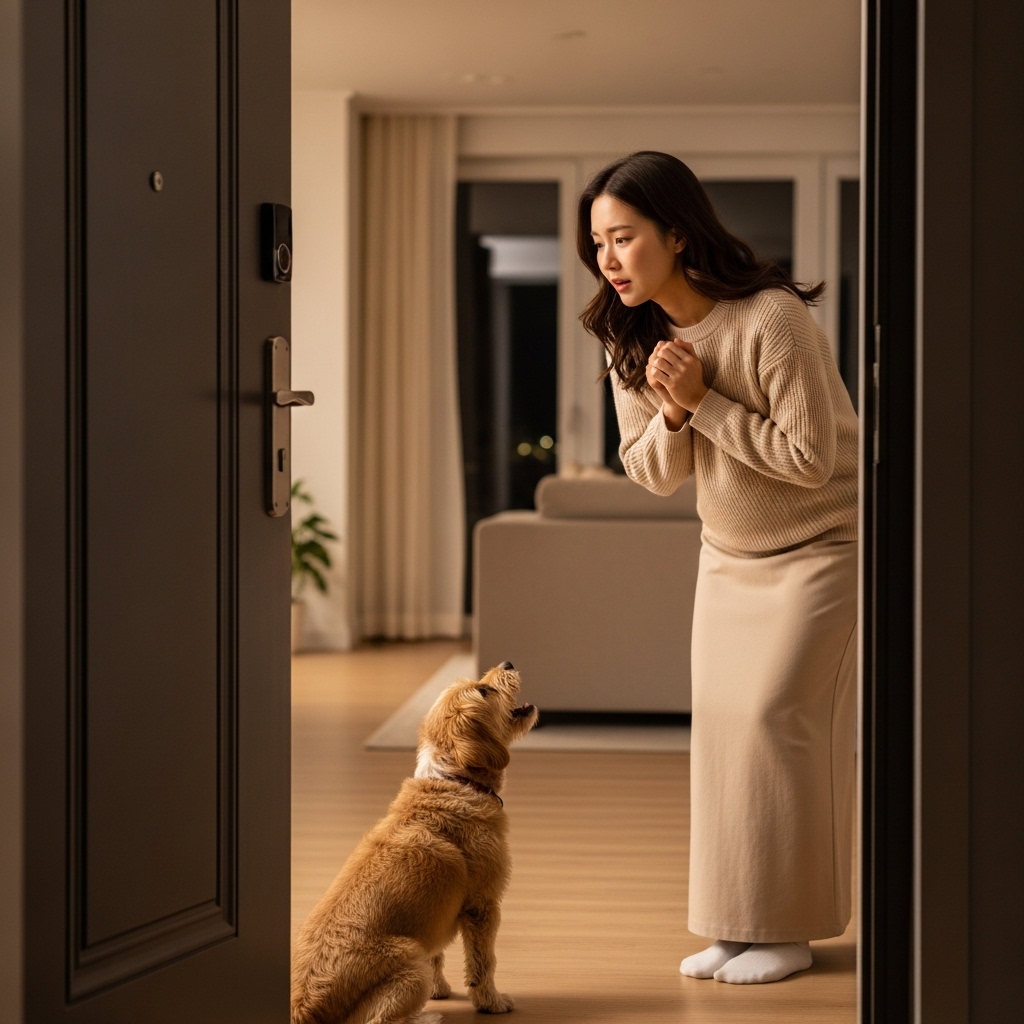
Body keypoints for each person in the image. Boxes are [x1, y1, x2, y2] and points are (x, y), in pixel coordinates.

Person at [577, 152, 858, 985]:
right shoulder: (630, 336)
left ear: (676, 232)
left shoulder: (773, 318)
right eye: (598, 243)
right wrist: (673, 412)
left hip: (821, 550)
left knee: (776, 724)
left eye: (624, 237)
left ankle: (790, 929)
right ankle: (736, 924)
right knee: (726, 737)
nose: (610, 259)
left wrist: (704, 402)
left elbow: (808, 460)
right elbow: (651, 472)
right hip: (727, 560)